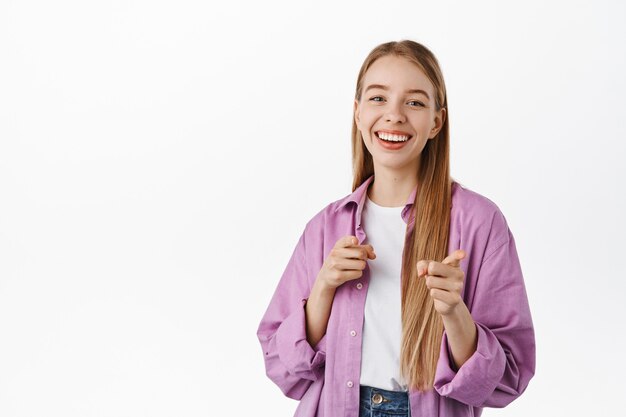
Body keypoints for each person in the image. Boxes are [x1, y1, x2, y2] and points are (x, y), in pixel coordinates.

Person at [256, 39, 535, 417]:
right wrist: (322, 288)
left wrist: (454, 311)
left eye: (415, 102)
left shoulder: (479, 222)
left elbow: (508, 378)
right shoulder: (324, 227)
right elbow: (280, 364)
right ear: (357, 113)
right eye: (377, 99)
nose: (394, 115)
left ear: (437, 121)